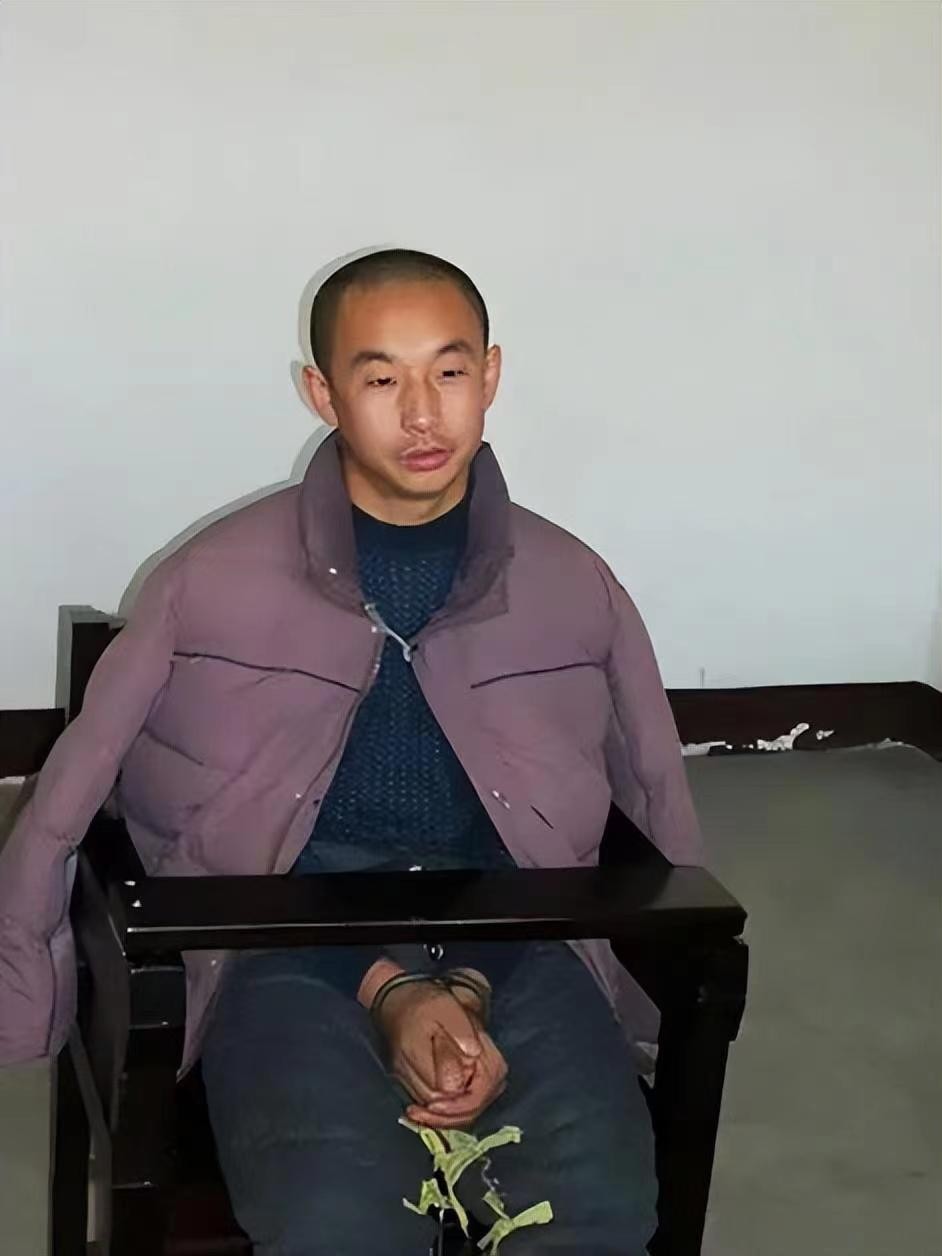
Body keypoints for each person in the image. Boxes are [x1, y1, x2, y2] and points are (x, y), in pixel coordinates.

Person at [0, 249, 702, 1254]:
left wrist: (488, 982)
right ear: (322, 393)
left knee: (598, 1216)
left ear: (491, 376)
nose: (421, 414)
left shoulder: (572, 582)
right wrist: (385, 983)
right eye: (381, 379)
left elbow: (652, 790)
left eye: (448, 372)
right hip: (279, 945)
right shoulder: (210, 582)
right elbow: (78, 793)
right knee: (337, 1223)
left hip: (520, 935)